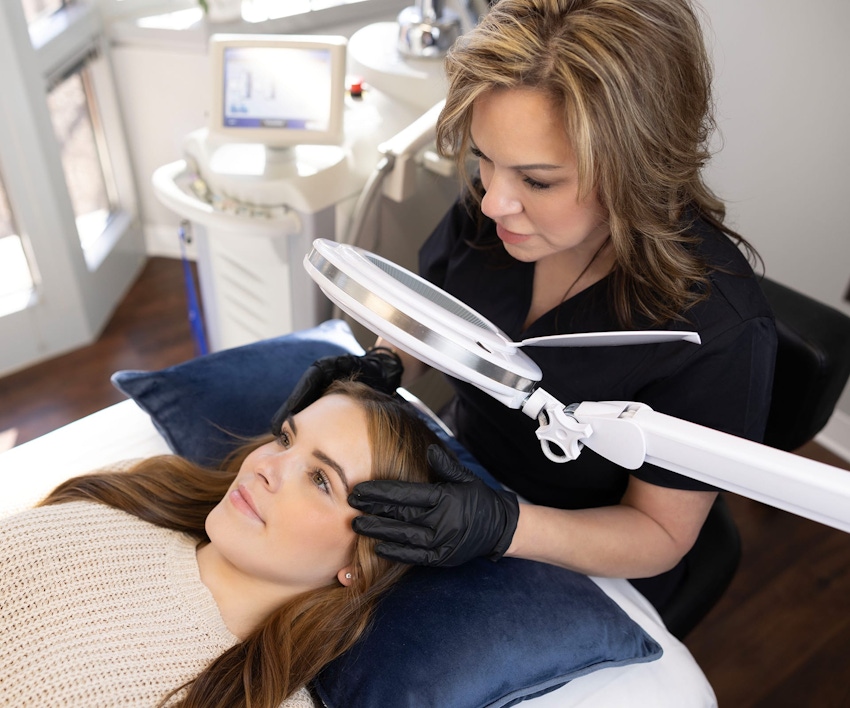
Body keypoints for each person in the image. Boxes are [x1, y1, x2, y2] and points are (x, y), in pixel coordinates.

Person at [289, 0, 777, 613]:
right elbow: (435, 328)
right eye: (484, 159)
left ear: (640, 164)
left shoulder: (719, 333)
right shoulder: (493, 212)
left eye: (537, 181)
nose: (493, 203)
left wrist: (506, 528)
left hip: (585, 556)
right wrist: (385, 366)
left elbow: (660, 535)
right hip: (462, 476)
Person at [0, 380, 444, 708]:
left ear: (359, 565)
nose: (267, 466)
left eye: (320, 479)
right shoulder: (140, 490)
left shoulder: (254, 699)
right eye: (285, 438)